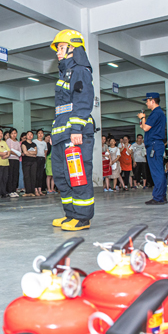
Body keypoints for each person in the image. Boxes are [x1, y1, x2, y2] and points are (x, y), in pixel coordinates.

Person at [50, 30, 95, 231]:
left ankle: (82, 217)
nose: (57, 52)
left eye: (61, 47)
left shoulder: (80, 71)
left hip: (76, 133)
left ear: (72, 48)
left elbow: (83, 101)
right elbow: (62, 108)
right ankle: (71, 214)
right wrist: (55, 133)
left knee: (77, 175)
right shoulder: (64, 73)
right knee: (62, 177)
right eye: (58, 48)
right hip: (62, 134)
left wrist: (77, 128)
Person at [138, 93, 167, 205]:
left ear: (152, 101)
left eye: (147, 101)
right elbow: (143, 126)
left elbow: (145, 128)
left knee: (156, 172)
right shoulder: (160, 113)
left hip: (154, 145)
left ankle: (158, 197)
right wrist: (142, 120)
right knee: (159, 170)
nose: (146, 103)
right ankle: (162, 196)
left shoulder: (155, 113)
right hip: (157, 144)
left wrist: (143, 117)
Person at [21, 130, 38, 197]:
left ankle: (32, 191)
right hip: (26, 162)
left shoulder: (34, 144)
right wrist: (32, 154)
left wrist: (29, 152)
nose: (30, 136)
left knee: (33, 176)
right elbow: (25, 152)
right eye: (28, 134)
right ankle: (27, 191)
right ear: (26, 136)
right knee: (26, 176)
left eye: (31, 134)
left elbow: (35, 152)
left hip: (33, 162)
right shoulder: (24, 143)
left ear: (33, 136)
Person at [6, 128, 21, 198]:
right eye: (12, 133)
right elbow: (9, 150)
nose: (13, 135)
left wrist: (17, 153)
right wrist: (16, 153)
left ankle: (14, 190)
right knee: (10, 175)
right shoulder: (8, 140)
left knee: (15, 175)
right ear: (10, 134)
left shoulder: (17, 142)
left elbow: (20, 152)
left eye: (15, 133)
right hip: (10, 159)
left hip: (16, 160)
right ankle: (9, 191)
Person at [34, 129, 48, 196]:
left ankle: (40, 190)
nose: (40, 134)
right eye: (39, 133)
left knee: (41, 175)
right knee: (36, 175)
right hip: (36, 158)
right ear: (37, 134)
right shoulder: (34, 141)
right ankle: (35, 190)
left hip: (42, 159)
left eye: (41, 133)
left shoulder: (44, 143)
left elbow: (45, 152)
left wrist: (45, 160)